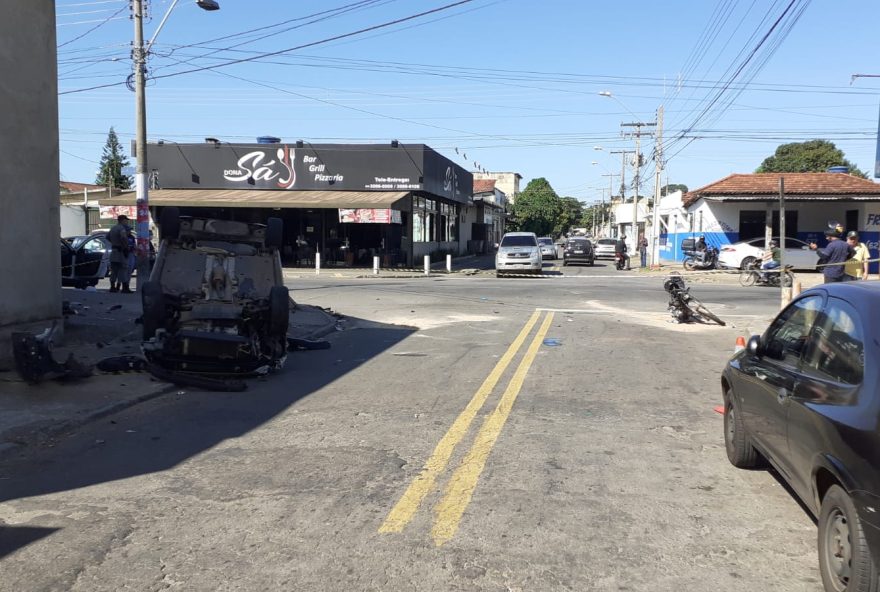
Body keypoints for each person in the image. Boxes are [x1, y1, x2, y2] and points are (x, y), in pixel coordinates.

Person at [106, 214, 132, 293]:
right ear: (122, 220)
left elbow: (107, 237)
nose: (127, 222)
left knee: (114, 270)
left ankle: (112, 287)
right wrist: (126, 248)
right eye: (126, 220)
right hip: (121, 252)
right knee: (123, 269)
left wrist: (114, 243)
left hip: (114, 251)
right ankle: (125, 288)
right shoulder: (121, 229)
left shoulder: (113, 228)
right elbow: (123, 238)